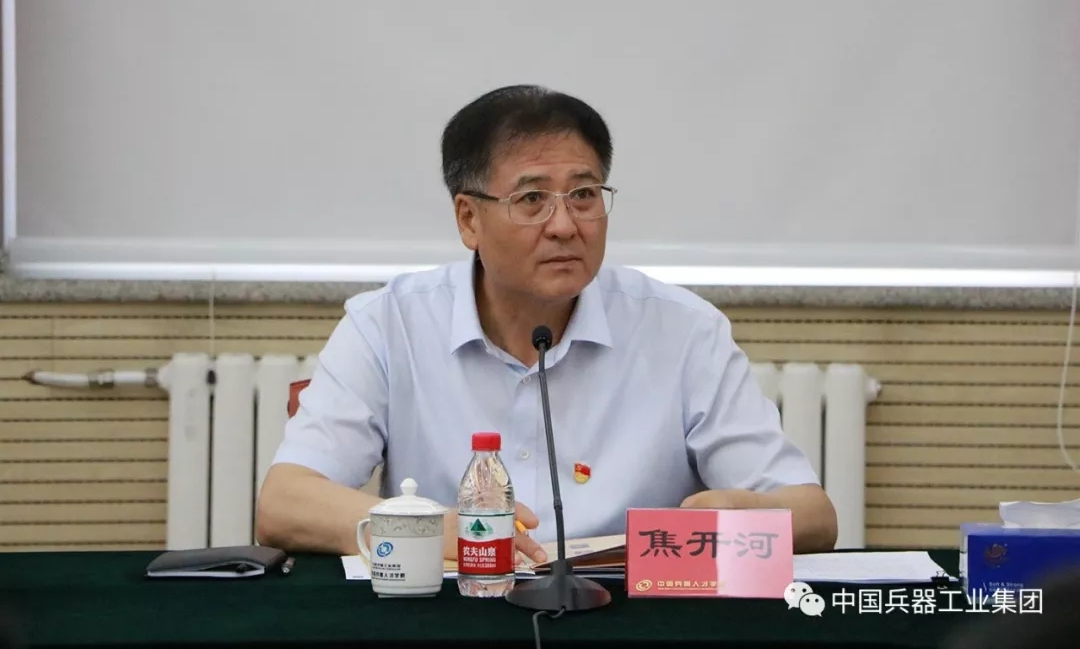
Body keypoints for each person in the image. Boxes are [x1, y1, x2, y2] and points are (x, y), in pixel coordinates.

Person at [255, 84, 837, 564]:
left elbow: (814, 516)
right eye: (532, 199)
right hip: (457, 615)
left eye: (584, 194)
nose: (565, 225)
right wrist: (438, 531)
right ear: (469, 218)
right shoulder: (389, 324)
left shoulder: (684, 331)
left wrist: (741, 513)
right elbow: (284, 505)